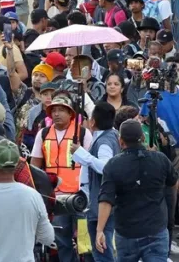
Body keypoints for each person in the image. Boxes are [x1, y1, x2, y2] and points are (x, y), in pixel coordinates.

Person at [96, 119, 179, 262]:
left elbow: (106, 200)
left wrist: (99, 230)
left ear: (120, 141)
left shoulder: (113, 165)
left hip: (127, 233)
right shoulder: (160, 159)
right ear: (143, 137)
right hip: (156, 230)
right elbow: (174, 183)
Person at [30, 93, 93, 262]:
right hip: (56, 198)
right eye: (54, 110)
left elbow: (93, 164)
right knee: (62, 241)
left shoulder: (83, 133)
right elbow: (34, 166)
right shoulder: (43, 134)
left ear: (71, 113)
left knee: (85, 243)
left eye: (61, 110)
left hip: (81, 197)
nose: (56, 114)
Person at [71, 102, 119, 262]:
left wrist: (81, 154)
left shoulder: (104, 141)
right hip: (98, 201)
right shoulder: (109, 137)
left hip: (101, 204)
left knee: (102, 253)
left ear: (93, 122)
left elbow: (106, 167)